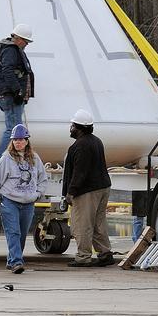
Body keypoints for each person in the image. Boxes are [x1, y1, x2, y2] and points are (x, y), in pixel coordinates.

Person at [0, 123, 48, 274]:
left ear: (27, 141)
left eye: (21, 139)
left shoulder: (35, 158)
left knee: (21, 234)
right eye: (15, 140)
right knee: (13, 232)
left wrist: (38, 193)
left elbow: (43, 178)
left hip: (28, 203)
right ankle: (17, 262)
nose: (18, 142)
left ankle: (12, 260)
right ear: (12, 141)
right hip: (9, 201)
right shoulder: (6, 159)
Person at [62, 109, 114, 268]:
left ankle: (83, 256)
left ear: (79, 127)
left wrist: (70, 193)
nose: (71, 128)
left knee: (82, 224)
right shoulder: (96, 141)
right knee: (99, 224)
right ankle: (105, 254)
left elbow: (80, 172)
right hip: (103, 187)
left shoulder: (80, 146)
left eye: (72, 125)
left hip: (87, 191)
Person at [0, 24, 34, 165]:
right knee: (13, 129)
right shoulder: (11, 50)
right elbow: (8, 71)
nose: (27, 44)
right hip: (11, 96)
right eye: (26, 41)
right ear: (18, 38)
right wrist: (18, 90)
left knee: (15, 128)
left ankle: (10, 160)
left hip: (11, 95)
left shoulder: (11, 49)